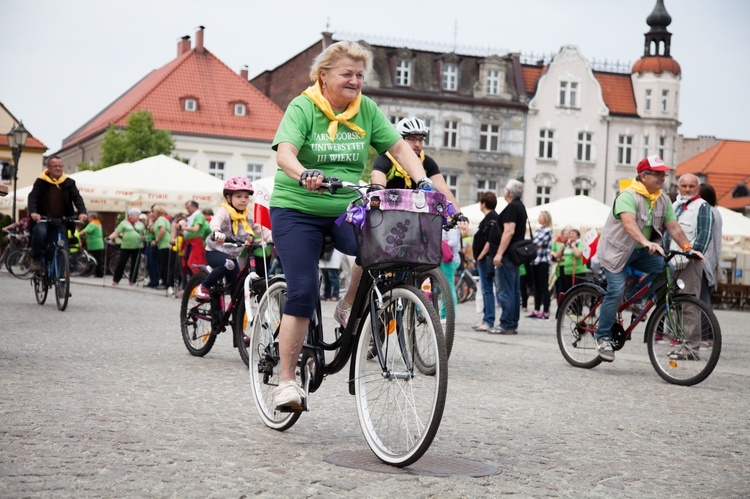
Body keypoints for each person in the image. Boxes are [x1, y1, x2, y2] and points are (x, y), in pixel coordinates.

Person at [270, 41, 441, 410]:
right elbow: (285, 153)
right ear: (324, 76)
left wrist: (423, 182)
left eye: (360, 75)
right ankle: (286, 381)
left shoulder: (366, 110)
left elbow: (399, 149)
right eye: (347, 74)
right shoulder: (303, 107)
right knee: (302, 290)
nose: (355, 81)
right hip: (297, 207)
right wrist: (304, 174)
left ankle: (349, 307)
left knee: (380, 248)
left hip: (344, 205)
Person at [594, 156, 702, 362]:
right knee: (615, 291)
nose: (663, 177)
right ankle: (603, 337)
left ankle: (637, 299)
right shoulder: (627, 196)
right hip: (616, 253)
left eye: (664, 173)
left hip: (640, 251)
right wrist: (646, 242)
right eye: (658, 173)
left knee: (666, 267)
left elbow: (674, 227)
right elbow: (629, 224)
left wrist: (688, 248)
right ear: (644, 176)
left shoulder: (662, 199)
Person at [194, 177, 272, 300]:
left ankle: (236, 315)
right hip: (215, 252)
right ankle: (204, 286)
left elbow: (261, 229)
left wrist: (274, 239)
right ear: (229, 198)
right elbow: (216, 220)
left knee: (237, 288)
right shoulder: (224, 210)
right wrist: (216, 231)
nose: (243, 200)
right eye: (239, 196)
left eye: (246, 197)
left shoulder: (248, 215)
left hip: (232, 255)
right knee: (228, 264)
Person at [662, 173, 713, 350]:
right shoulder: (675, 205)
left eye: (691, 186)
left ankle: (691, 346)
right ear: (678, 187)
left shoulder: (702, 206)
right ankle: (678, 340)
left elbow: (704, 234)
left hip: (689, 263)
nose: (687, 189)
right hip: (671, 262)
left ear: (698, 188)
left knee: (689, 305)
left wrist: (693, 254)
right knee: (675, 304)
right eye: (684, 186)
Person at [371, 117, 461, 208]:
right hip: (389, 213)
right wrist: (377, 192)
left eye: (421, 139)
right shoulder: (385, 159)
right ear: (399, 139)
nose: (417, 144)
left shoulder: (427, 162)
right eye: (411, 138)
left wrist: (458, 214)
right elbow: (378, 183)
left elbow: (443, 189)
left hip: (416, 215)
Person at [27, 156, 88, 270]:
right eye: (55, 166)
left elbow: (77, 198)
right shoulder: (41, 181)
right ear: (48, 168)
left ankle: (62, 277)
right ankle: (36, 259)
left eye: (60, 166)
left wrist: (82, 212)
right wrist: (34, 212)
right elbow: (33, 197)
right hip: (43, 219)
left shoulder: (68, 182)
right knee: (40, 233)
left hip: (61, 220)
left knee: (63, 247)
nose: (58, 168)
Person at [486, 179, 528, 335]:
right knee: (514, 290)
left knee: (506, 291)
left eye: (505, 189)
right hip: (513, 255)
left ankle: (506, 324)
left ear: (509, 192)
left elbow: (509, 231)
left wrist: (499, 253)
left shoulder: (512, 207)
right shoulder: (520, 206)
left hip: (507, 255)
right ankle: (511, 323)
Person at [471, 192, 499, 332]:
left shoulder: (492, 218)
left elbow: (490, 240)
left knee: (487, 289)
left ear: (483, 204)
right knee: (485, 289)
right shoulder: (489, 218)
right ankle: (485, 319)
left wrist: (480, 255)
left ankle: (489, 320)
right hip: (484, 258)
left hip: (486, 259)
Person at [698, 183, 722, 347]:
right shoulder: (717, 212)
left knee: (702, 301)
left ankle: (706, 337)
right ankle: (708, 336)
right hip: (711, 260)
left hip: (703, 259)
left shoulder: (707, 211)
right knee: (704, 300)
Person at [107, 208, 145, 286]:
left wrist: (143, 237)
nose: (138, 217)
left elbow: (143, 233)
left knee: (135, 264)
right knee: (121, 262)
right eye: (137, 215)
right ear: (132, 215)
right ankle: (116, 279)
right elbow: (117, 232)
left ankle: (132, 280)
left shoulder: (140, 224)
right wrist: (109, 237)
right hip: (126, 246)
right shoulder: (124, 223)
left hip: (137, 246)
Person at [527, 211, 553, 319]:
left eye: (541, 216)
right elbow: (532, 243)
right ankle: (537, 310)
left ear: (546, 218)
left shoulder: (548, 230)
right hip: (535, 260)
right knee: (536, 287)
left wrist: (533, 244)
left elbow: (536, 243)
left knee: (543, 287)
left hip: (543, 260)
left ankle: (546, 311)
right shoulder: (538, 230)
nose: (539, 218)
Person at [551, 227, 588, 300]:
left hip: (578, 272)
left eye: (573, 234)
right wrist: (563, 245)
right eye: (570, 234)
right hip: (567, 272)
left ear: (577, 236)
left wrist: (573, 246)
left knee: (577, 294)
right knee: (568, 293)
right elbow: (557, 255)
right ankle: (570, 309)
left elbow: (578, 254)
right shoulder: (566, 245)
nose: (570, 235)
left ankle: (577, 310)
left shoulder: (580, 244)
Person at [439, 225, 462, 321]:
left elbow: (454, 241)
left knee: (448, 288)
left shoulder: (451, 227)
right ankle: (445, 315)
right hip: (448, 260)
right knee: (446, 288)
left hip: (449, 260)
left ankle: (448, 316)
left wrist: (441, 243)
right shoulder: (450, 226)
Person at [182, 200, 209, 274]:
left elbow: (195, 228)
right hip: (192, 243)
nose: (187, 210)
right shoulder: (195, 216)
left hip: (196, 243)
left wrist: (184, 228)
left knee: (195, 264)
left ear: (193, 207)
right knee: (192, 264)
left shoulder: (199, 216)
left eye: (188, 208)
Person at [149, 205, 172, 288]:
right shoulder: (162, 219)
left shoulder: (161, 219)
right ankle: (165, 282)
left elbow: (162, 230)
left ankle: (165, 283)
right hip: (164, 244)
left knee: (164, 265)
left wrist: (156, 240)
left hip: (164, 244)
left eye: (154, 212)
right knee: (164, 264)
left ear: (157, 212)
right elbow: (151, 229)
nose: (153, 213)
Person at [79, 212, 105, 277]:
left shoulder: (92, 224)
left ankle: (97, 273)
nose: (88, 218)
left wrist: (77, 234)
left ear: (91, 218)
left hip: (94, 244)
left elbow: (85, 230)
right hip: (98, 243)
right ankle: (98, 273)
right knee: (97, 258)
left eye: (89, 217)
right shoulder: (98, 223)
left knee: (93, 258)